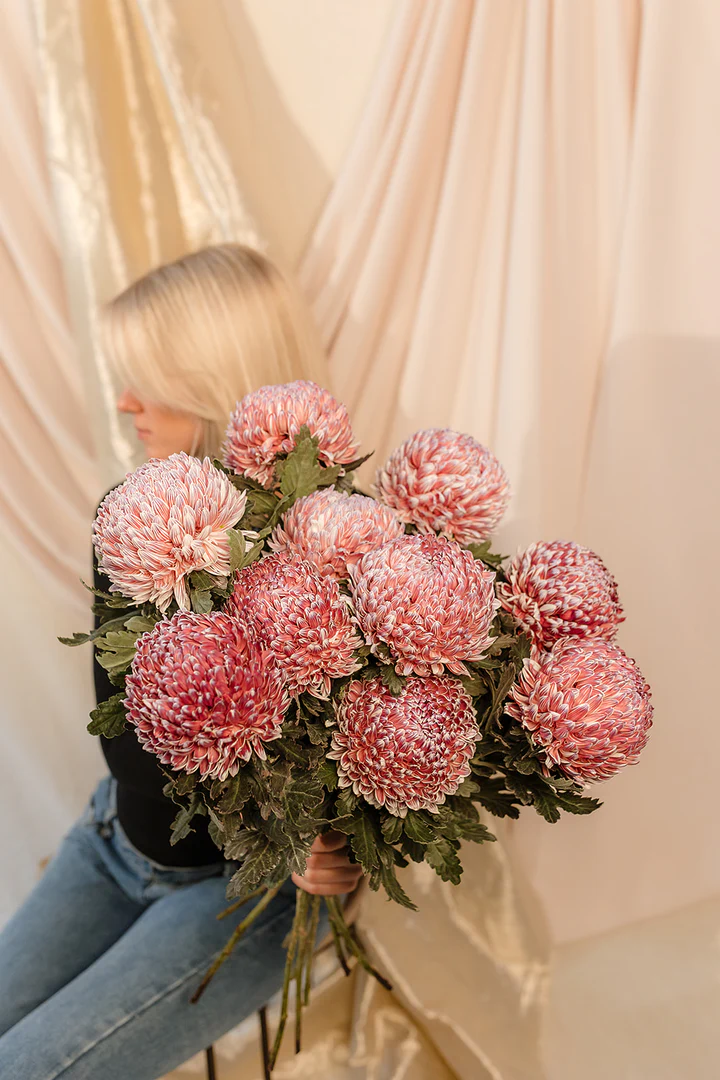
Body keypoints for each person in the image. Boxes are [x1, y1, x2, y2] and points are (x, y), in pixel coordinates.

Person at [0, 244, 363, 1080]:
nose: (123, 402)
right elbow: (129, 755)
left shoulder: (343, 546)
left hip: (243, 896)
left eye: (148, 377)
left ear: (216, 377)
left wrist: (334, 843)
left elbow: (362, 753)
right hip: (111, 841)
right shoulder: (135, 518)